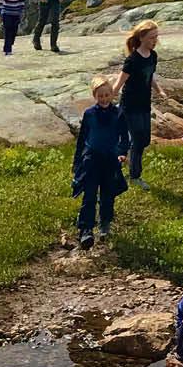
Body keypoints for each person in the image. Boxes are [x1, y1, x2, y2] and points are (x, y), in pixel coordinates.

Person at [71, 75, 130, 250]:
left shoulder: (118, 113)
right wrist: (77, 162)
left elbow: (124, 138)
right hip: (91, 159)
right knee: (89, 194)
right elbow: (82, 139)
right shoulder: (89, 114)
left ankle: (105, 223)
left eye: (106, 95)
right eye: (100, 96)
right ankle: (86, 230)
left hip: (110, 159)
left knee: (108, 194)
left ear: (112, 94)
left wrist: (122, 153)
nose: (104, 99)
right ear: (95, 96)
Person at [111, 19, 164, 189]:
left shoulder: (153, 56)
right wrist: (108, 96)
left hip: (144, 104)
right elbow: (120, 81)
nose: (154, 41)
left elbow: (150, 76)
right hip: (130, 105)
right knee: (138, 140)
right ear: (141, 38)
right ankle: (134, 175)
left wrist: (159, 90)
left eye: (156, 37)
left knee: (144, 140)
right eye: (151, 38)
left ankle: (123, 160)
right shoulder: (132, 59)